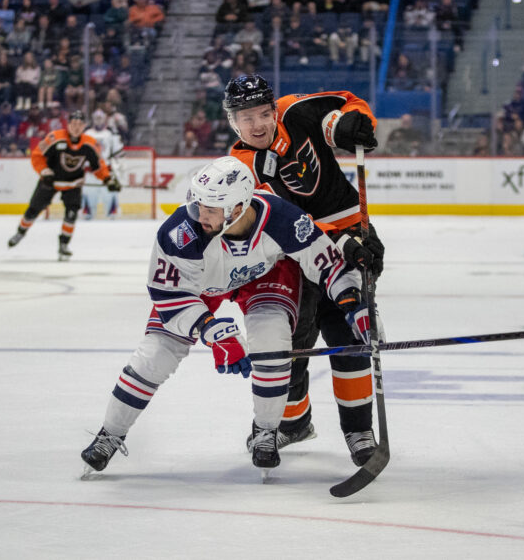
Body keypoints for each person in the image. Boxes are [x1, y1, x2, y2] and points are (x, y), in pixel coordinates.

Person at [80, 156, 374, 474]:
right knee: (154, 356)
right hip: (201, 286)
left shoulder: (280, 217)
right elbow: (170, 296)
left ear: (238, 208)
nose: (200, 214)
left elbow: (324, 261)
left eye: (211, 207)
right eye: (198, 204)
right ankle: (109, 434)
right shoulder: (180, 232)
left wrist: (353, 302)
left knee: (271, 344)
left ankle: (265, 432)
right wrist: (213, 331)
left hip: (263, 277)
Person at [222, 74, 384, 466]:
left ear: (274, 108)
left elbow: (347, 102)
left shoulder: (297, 109)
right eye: (247, 118)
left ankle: (359, 429)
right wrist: (339, 241)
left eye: (263, 113)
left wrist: (354, 122)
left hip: (351, 232)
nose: (258, 124)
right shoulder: (240, 166)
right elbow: (286, 218)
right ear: (233, 122)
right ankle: (293, 423)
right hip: (294, 252)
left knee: (349, 334)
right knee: (294, 342)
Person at [6, 110, 120, 260]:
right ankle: (20, 232)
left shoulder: (89, 144)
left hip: (73, 184)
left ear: (84, 126)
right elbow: (37, 156)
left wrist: (107, 179)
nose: (76, 127)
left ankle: (64, 245)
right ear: (68, 124)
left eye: (80, 124)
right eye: (74, 124)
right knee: (33, 209)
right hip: (51, 181)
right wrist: (45, 172)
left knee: (71, 214)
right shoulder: (55, 138)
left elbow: (98, 166)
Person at [82, 110, 124, 220]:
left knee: (110, 200)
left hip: (106, 171)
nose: (98, 120)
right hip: (91, 173)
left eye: (100, 118)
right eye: (96, 118)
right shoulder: (87, 134)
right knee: (88, 207)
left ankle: (112, 220)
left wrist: (117, 170)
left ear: (104, 119)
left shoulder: (110, 134)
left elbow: (117, 153)